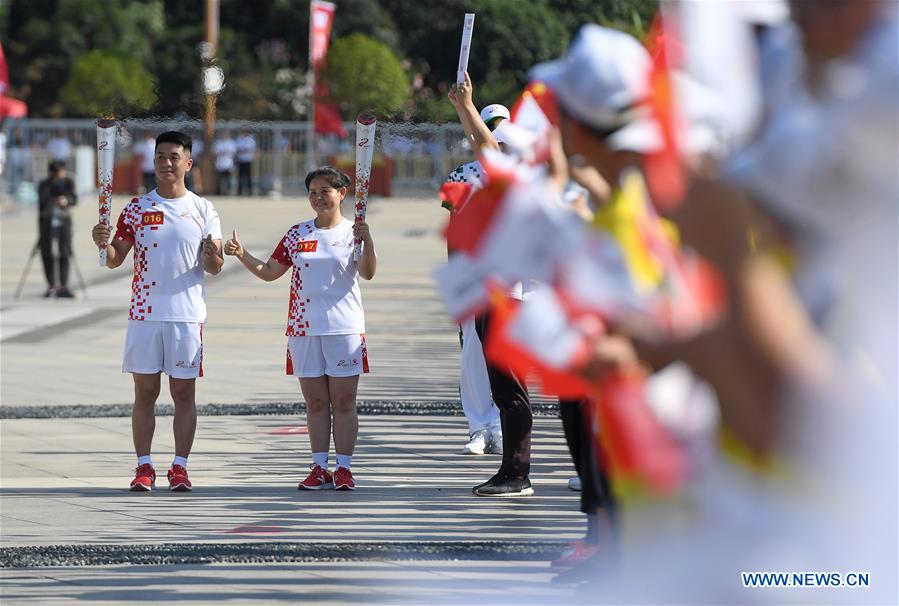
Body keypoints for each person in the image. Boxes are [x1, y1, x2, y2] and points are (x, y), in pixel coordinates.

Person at [224, 166, 377, 491]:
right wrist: (241, 254)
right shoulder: (297, 234)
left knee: (344, 401)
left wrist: (368, 242)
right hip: (304, 329)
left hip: (344, 329)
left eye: (325, 191)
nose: (319, 198)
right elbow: (269, 272)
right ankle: (319, 466)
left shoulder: (354, 232)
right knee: (316, 403)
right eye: (313, 192)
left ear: (342, 194)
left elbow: (367, 273)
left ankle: (344, 468)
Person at [90, 131, 223, 492]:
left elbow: (215, 266)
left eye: (174, 157)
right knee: (145, 394)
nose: (166, 163)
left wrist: (213, 255)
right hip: (145, 314)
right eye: (161, 156)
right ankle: (143, 465)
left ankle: (179, 466)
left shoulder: (203, 209)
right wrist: (102, 242)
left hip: (186, 315)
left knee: (183, 395)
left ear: (188, 163)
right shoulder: (137, 208)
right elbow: (115, 260)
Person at [444, 76, 509, 457]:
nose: (498, 137)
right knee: (473, 352)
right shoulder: (459, 175)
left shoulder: (517, 171)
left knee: (505, 353)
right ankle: (479, 427)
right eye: (491, 129)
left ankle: (502, 425)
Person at [37, 160, 77, 297]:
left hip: (64, 220)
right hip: (48, 222)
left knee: (65, 252)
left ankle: (64, 285)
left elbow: (74, 198)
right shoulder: (45, 184)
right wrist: (55, 200)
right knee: (47, 252)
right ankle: (51, 285)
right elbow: (42, 202)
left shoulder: (68, 182)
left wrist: (66, 200)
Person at [212, 131, 236, 195]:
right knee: (220, 179)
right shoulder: (218, 142)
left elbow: (233, 153)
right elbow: (215, 152)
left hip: (228, 164)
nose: (225, 136)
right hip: (220, 164)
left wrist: (223, 152)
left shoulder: (231, 143)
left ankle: (228, 192)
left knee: (228, 179)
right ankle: (220, 192)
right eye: (223, 134)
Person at [236, 130, 256, 196]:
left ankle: (250, 191)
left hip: (248, 160)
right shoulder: (239, 139)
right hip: (241, 160)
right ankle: (240, 191)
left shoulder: (250, 140)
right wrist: (244, 150)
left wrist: (244, 150)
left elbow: (251, 149)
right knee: (240, 176)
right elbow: (238, 149)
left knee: (249, 177)